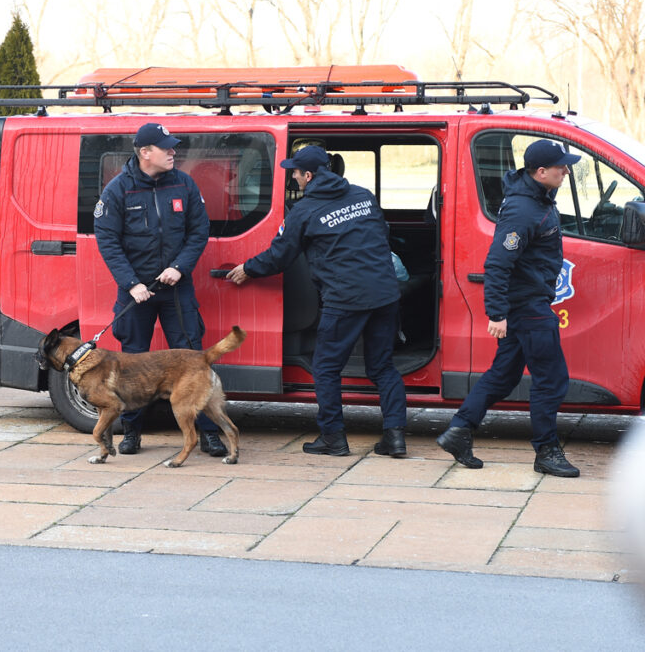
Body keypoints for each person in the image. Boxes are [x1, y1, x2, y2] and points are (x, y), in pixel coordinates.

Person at [227, 145, 407, 457]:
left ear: (309, 175)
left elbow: (280, 255)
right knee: (382, 367)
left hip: (345, 298)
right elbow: (382, 232)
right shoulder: (363, 195)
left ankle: (333, 438)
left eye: (294, 172)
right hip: (385, 294)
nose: (292, 178)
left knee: (325, 367)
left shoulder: (304, 211)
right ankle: (395, 438)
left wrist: (248, 269)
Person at [437, 139, 580, 477]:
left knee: (504, 374)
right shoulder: (522, 210)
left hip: (526, 302)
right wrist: (497, 313)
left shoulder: (536, 200)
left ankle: (459, 430)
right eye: (561, 166)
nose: (566, 170)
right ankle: (546, 451)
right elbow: (498, 264)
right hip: (527, 306)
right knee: (552, 379)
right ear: (541, 172)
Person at [93, 122, 228, 457]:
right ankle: (133, 432)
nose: (173, 153)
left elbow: (199, 230)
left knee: (193, 361)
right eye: (166, 148)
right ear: (145, 153)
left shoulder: (183, 183)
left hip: (176, 289)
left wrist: (179, 267)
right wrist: (132, 284)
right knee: (132, 364)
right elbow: (108, 242)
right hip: (136, 292)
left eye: (173, 147)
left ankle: (208, 433)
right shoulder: (118, 190)